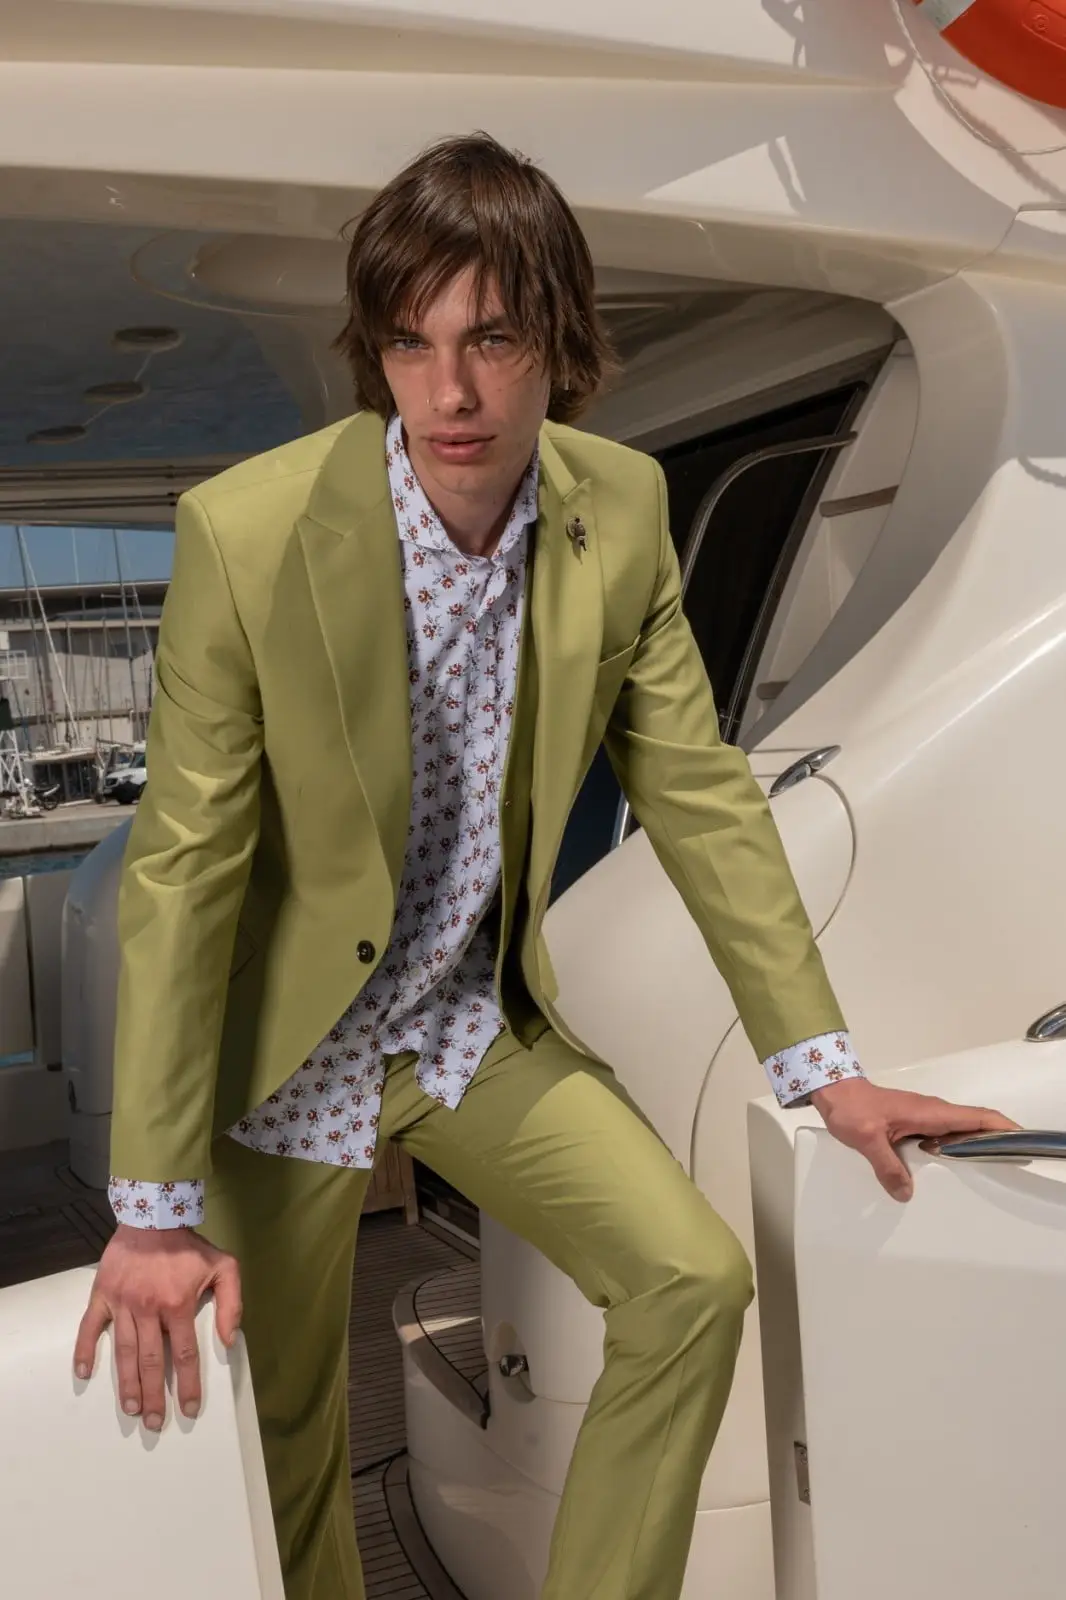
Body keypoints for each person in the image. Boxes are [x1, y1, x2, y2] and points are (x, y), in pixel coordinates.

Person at [74, 132, 1015, 1600]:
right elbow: (184, 869)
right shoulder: (246, 533)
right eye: (412, 343)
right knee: (281, 1433)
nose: (450, 391)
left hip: (465, 1027)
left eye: (493, 340)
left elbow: (698, 796)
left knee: (690, 1284)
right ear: (379, 352)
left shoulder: (617, 510)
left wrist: (824, 1072)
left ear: (559, 341)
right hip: (281, 1046)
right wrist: (151, 1206)